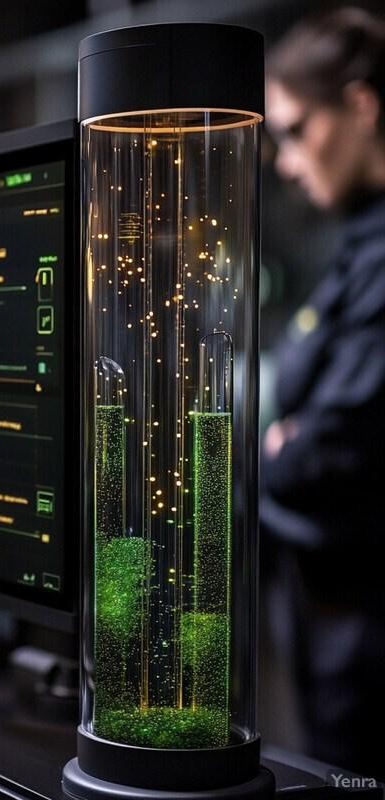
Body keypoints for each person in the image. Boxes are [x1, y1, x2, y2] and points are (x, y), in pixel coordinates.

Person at [261, 6, 385, 781]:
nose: (284, 160)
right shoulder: (358, 244)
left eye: (297, 128)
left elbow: (335, 444)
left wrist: (284, 447)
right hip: (331, 615)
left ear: (361, 106)